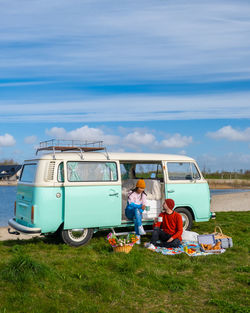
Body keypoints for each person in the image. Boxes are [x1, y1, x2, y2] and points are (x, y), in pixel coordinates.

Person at [125, 179, 147, 244]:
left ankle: (138, 236)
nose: (142, 190)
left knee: (136, 218)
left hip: (137, 214)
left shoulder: (143, 195)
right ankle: (140, 227)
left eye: (143, 188)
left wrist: (140, 208)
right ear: (137, 187)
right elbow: (130, 205)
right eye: (140, 188)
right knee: (136, 210)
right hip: (129, 213)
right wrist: (139, 206)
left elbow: (143, 207)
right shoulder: (131, 193)